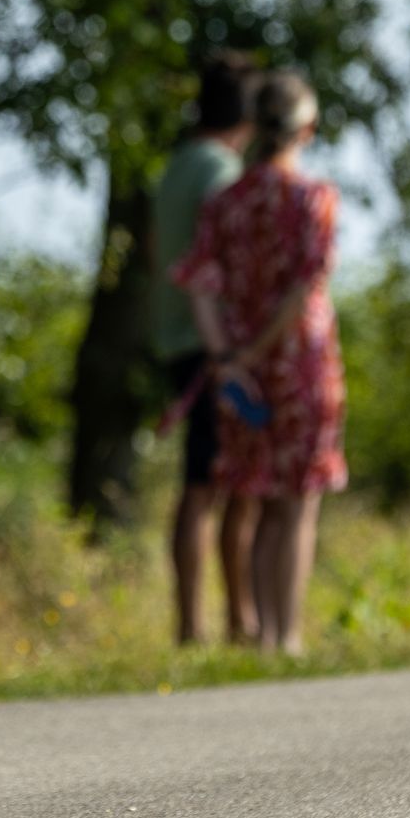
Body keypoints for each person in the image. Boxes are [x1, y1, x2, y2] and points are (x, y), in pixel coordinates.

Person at [174, 70, 346, 655]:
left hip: (241, 374)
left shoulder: (225, 203)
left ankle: (266, 641)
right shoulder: (313, 199)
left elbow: (197, 283)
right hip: (299, 365)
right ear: (307, 128)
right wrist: (259, 348)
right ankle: (285, 636)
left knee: (260, 496)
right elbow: (305, 288)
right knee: (296, 506)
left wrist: (227, 353)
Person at [150, 52, 259, 645]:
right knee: (219, 486)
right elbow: (224, 262)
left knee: (204, 481)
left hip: (176, 339)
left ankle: (200, 624)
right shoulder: (220, 171)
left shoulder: (176, 167)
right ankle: (230, 623)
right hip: (215, 346)